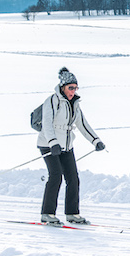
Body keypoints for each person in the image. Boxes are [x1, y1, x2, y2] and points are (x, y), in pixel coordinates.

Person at [37, 67, 105, 225]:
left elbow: (82, 124)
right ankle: (47, 213)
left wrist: (96, 140)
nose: (73, 91)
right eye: (70, 88)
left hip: (66, 146)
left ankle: (72, 213)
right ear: (63, 87)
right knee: (55, 176)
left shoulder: (74, 103)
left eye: (75, 88)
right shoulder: (52, 101)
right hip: (49, 145)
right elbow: (47, 124)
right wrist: (52, 143)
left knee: (73, 178)